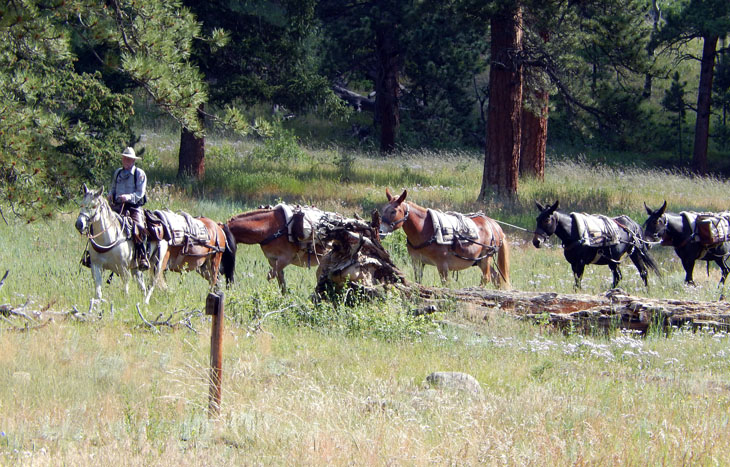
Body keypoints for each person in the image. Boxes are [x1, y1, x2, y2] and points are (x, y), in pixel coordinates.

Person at [109, 147, 150, 270]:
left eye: (129, 159)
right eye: (124, 158)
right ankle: (93, 254)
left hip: (133, 206)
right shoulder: (118, 173)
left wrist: (128, 197)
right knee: (100, 221)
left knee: (138, 227)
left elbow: (140, 193)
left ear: (133, 161)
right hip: (117, 205)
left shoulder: (139, 174)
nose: (126, 161)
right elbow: (113, 187)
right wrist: (111, 193)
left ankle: (142, 256)